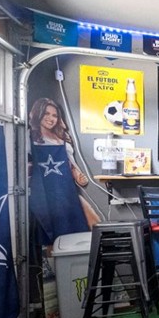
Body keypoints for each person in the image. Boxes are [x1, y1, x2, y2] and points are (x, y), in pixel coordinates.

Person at [28, 97, 101, 234]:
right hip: (43, 192)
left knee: (93, 222)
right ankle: (54, 256)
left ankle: (86, 254)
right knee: (50, 232)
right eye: (46, 113)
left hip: (66, 190)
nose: (51, 118)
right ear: (38, 113)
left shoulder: (62, 139)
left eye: (55, 115)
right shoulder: (29, 137)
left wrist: (79, 176)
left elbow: (71, 164)